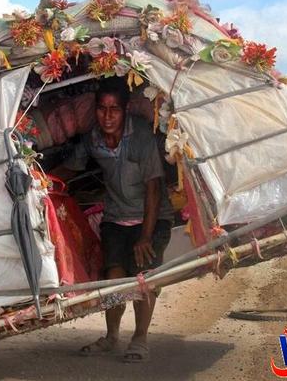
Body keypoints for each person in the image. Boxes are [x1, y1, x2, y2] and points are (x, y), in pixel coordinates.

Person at [54, 78, 174, 363]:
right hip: (115, 217)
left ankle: (140, 339)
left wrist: (146, 236)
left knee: (144, 279)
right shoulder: (93, 138)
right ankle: (111, 336)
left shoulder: (141, 135)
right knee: (113, 278)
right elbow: (71, 167)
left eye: (114, 109)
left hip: (152, 218)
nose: (107, 116)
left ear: (126, 109)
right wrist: (42, 180)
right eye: (102, 109)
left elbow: (154, 188)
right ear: (95, 109)